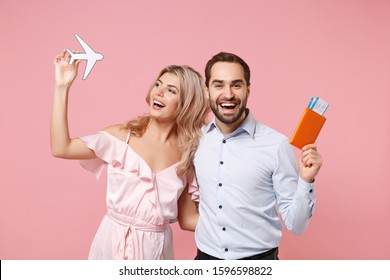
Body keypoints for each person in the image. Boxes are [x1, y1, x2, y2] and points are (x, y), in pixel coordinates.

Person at [51, 49, 209, 260]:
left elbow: (189, 220)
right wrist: (62, 86)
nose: (159, 93)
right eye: (158, 84)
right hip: (111, 244)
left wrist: (243, 226)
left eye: (171, 90)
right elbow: (61, 148)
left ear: (187, 103)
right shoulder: (121, 137)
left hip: (156, 252)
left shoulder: (188, 155)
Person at [178, 52, 323, 260]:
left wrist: (306, 180)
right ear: (207, 91)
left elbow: (297, 225)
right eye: (219, 85)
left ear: (248, 90)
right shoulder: (196, 140)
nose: (228, 94)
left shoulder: (276, 145)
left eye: (236, 85)